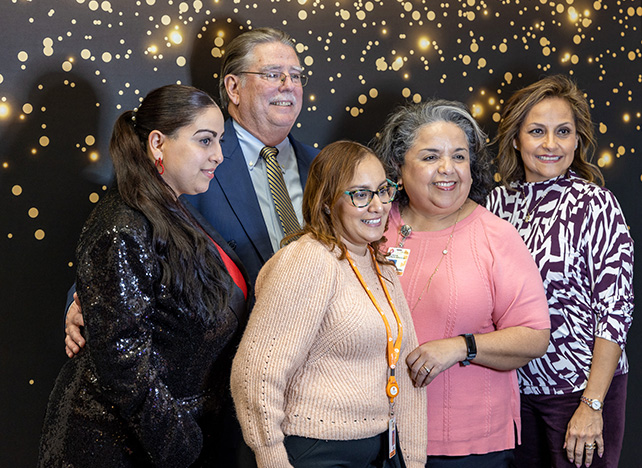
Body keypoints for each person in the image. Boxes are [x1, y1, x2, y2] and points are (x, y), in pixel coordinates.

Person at [64, 27, 318, 356]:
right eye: (273, 74)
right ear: (233, 87)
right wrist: (81, 303)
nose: (289, 85)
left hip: (316, 371)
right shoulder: (188, 163)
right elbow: (122, 243)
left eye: (295, 75)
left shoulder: (325, 167)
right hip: (221, 378)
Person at [38, 84, 249, 467]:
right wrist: (181, 444)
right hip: (115, 447)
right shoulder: (123, 226)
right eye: (205, 141)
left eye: (219, 141)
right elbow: (123, 364)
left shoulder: (175, 211)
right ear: (157, 143)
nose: (218, 155)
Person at [372, 100, 551, 467]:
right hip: (375, 437)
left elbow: (534, 336)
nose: (447, 170)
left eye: (459, 156)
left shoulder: (495, 236)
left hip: (468, 447)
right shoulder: (372, 225)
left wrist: (460, 347)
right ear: (398, 167)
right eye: (430, 157)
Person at [230, 141, 428, 468]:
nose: (378, 205)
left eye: (383, 190)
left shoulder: (381, 268)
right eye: (361, 194)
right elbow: (256, 374)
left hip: (377, 449)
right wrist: (270, 458)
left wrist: (413, 460)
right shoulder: (311, 259)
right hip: (314, 451)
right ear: (326, 203)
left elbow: (403, 375)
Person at [486, 74, 634, 468]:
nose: (551, 144)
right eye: (537, 131)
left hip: (580, 393)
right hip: (514, 392)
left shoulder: (596, 204)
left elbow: (615, 314)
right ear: (516, 138)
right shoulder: (497, 203)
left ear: (576, 140)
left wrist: (592, 403)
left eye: (563, 132)